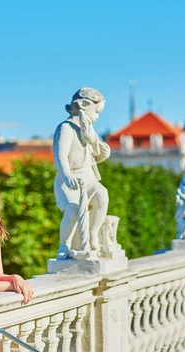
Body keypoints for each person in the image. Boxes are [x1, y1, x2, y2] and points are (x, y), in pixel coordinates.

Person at [53, 88, 112, 258]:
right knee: (73, 210)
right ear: (84, 106)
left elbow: (98, 156)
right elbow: (61, 156)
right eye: (97, 111)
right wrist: (67, 174)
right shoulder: (66, 128)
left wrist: (98, 146)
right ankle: (64, 244)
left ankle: (93, 233)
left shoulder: (89, 131)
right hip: (69, 179)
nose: (98, 117)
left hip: (89, 178)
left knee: (102, 195)